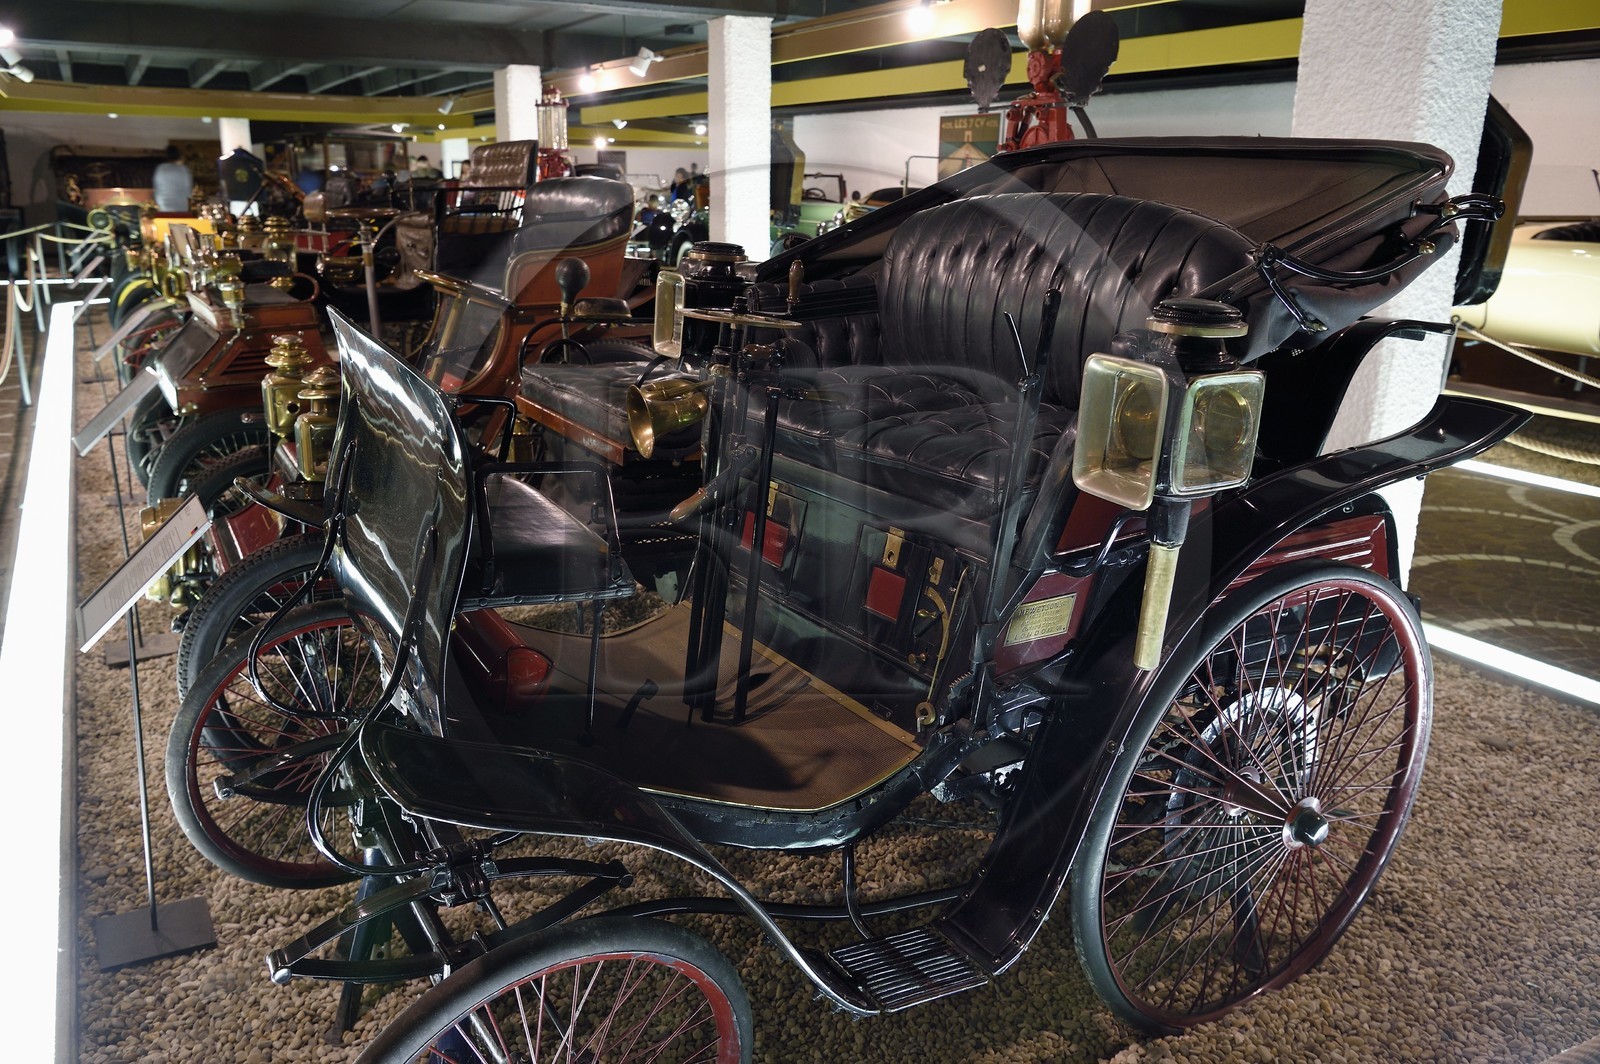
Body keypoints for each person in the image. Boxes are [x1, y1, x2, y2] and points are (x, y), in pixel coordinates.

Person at [152, 145, 193, 213]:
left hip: (164, 203)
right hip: (181, 204)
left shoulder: (160, 169)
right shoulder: (183, 169)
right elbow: (188, 189)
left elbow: (157, 187)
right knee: (180, 223)